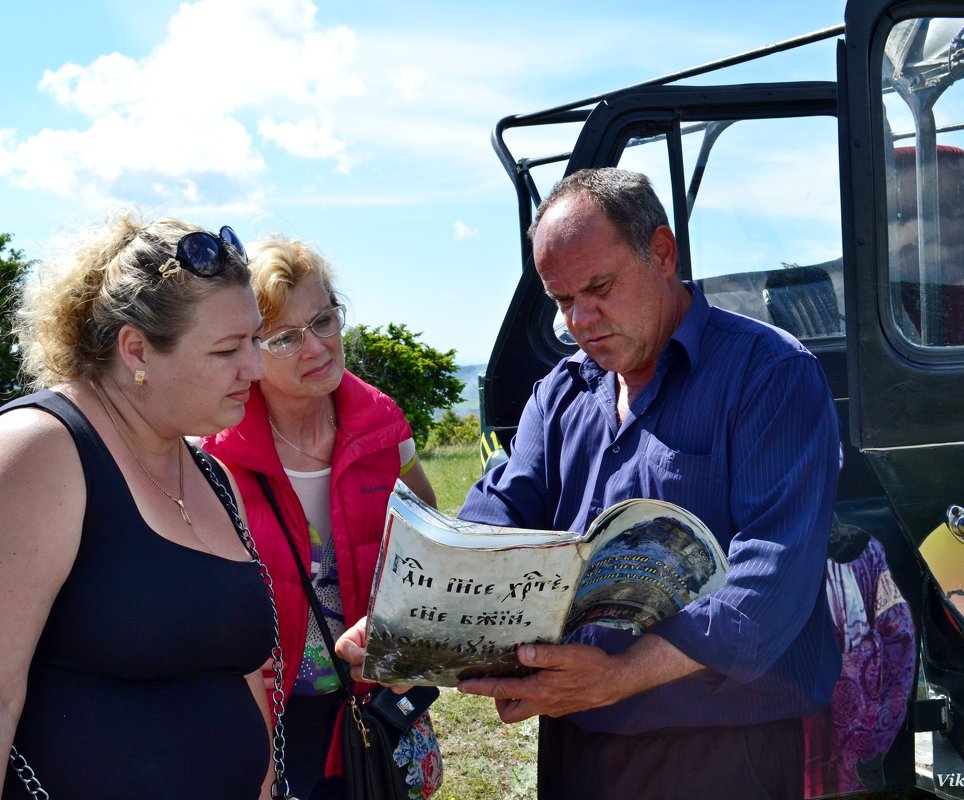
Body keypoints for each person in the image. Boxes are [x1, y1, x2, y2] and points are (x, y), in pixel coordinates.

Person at [340, 167, 843, 799]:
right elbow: (500, 512)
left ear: (662, 253)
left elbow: (774, 575)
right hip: (580, 734)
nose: (580, 319)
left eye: (599, 288)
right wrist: (414, 622)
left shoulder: (770, 376)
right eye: (561, 300)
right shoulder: (564, 390)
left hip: (722, 743)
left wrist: (621, 676)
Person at [0, 216, 280, 799]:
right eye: (229, 348)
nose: (256, 368)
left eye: (255, 339)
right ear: (136, 348)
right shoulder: (32, 453)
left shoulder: (212, 475)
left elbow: (238, 677)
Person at [203, 237, 441, 800]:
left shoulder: (383, 426)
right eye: (284, 338)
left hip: (377, 706)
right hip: (273, 721)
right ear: (248, 350)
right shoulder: (214, 455)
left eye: (323, 320)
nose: (316, 348)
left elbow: (432, 545)